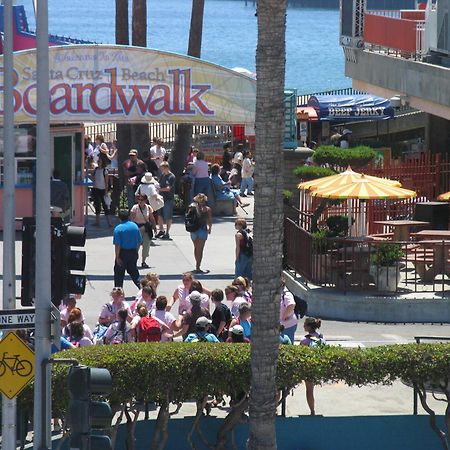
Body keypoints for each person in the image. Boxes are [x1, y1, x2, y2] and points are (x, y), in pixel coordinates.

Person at [300, 317, 325, 415]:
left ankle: (312, 411)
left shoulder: (304, 340)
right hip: (319, 366)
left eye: (305, 325)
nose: (303, 326)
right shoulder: (322, 337)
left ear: (309, 327)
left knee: (309, 391)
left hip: (309, 367)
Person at [113, 209, 142, 288]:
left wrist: (117, 257)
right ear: (128, 216)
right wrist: (136, 251)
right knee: (134, 272)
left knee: (119, 273)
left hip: (123, 253)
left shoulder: (118, 229)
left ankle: (118, 292)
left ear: (119, 218)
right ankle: (143, 288)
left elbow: (117, 245)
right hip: (133, 251)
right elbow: (139, 241)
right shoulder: (134, 226)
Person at [130, 193, 157, 269]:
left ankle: (143, 261)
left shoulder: (148, 208)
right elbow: (131, 219)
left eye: (142, 200)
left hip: (146, 229)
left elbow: (152, 218)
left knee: (146, 246)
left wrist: (154, 227)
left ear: (145, 200)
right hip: (137, 229)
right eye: (139, 199)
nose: (140, 201)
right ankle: (133, 261)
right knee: (136, 247)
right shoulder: (135, 208)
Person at [189, 193, 212, 274]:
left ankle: (197, 265)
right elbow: (209, 220)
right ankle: (198, 266)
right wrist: (210, 228)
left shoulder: (192, 207)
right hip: (202, 229)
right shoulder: (207, 209)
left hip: (193, 229)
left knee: (196, 248)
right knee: (200, 249)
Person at [157, 161, 176, 240]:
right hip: (161, 198)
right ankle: (161, 230)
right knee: (159, 215)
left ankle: (167, 232)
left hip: (168, 198)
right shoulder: (162, 175)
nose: (161, 170)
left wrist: (159, 189)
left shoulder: (171, 176)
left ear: (166, 168)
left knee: (168, 216)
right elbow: (159, 183)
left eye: (162, 168)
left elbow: (168, 189)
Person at [91, 157, 112, 227]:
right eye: (98, 161)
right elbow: (93, 176)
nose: (98, 162)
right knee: (97, 205)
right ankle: (97, 222)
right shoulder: (96, 169)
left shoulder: (105, 171)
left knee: (105, 206)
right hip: (96, 189)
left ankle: (109, 222)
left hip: (103, 190)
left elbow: (106, 182)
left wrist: (106, 191)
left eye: (99, 161)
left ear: (102, 163)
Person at [280, 278, 298, 344]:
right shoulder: (279, 294)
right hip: (282, 325)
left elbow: (291, 305)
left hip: (287, 324)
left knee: (287, 344)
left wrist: (285, 316)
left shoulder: (286, 294)